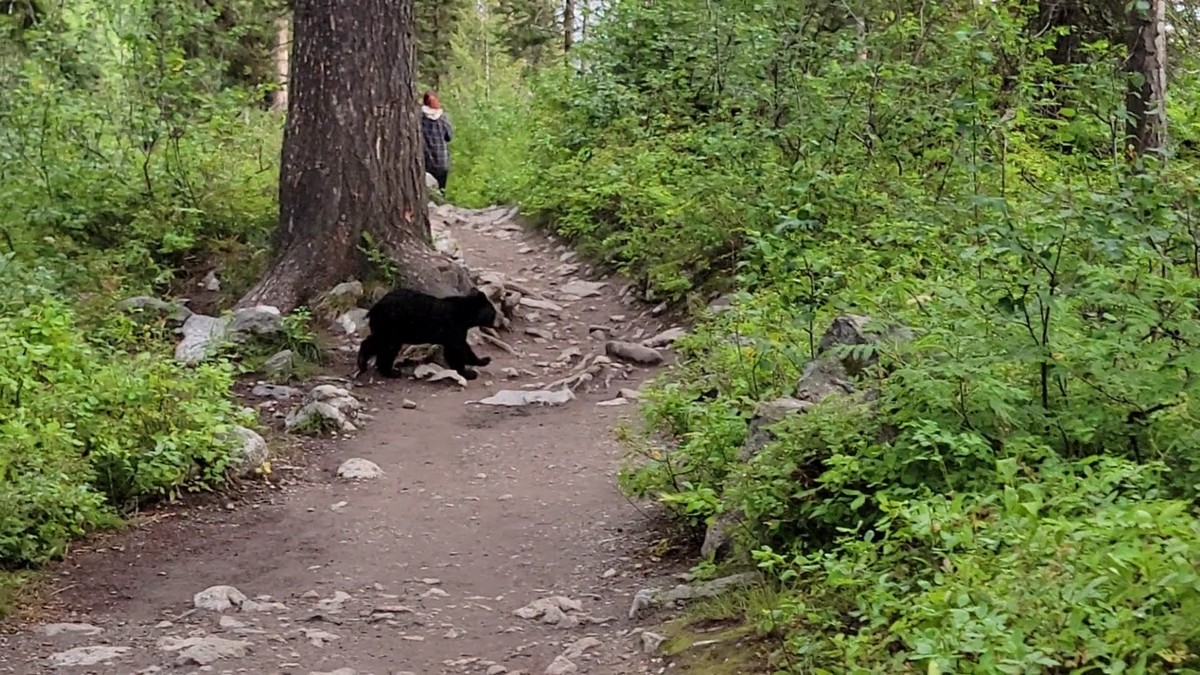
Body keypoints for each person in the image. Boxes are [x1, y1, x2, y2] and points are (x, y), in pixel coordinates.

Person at [420, 91, 453, 194]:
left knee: (428, 189)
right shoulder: (443, 118)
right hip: (441, 159)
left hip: (426, 160)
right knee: (441, 189)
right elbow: (449, 137)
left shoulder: (420, 117)